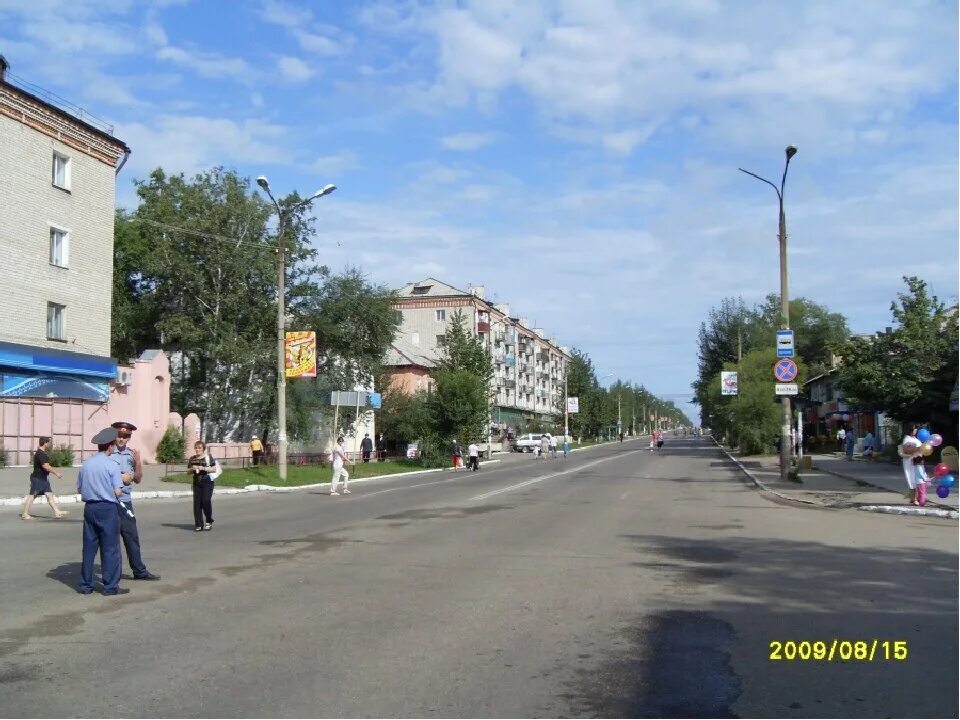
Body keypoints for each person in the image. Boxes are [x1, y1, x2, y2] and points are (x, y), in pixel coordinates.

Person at [76, 427, 126, 596]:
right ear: (110, 446)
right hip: (107, 508)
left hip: (90, 508)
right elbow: (118, 491)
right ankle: (110, 586)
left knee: (89, 548)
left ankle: (85, 585)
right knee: (110, 548)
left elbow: (79, 488)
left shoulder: (86, 464)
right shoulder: (112, 465)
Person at [110, 421, 160, 581]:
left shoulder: (132, 454)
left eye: (125, 436)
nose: (122, 439)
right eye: (119, 435)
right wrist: (120, 477)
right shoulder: (108, 452)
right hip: (110, 502)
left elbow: (138, 479)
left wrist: (138, 462)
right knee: (112, 541)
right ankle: (113, 575)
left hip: (125, 502)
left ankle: (139, 571)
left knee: (131, 537)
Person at [21, 436, 69, 520]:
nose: (50, 444)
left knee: (49, 495)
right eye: (49, 443)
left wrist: (52, 471)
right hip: (38, 478)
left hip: (43, 479)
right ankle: (25, 514)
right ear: (45, 443)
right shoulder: (41, 454)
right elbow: (45, 466)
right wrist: (56, 473)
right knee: (32, 495)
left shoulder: (41, 453)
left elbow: (47, 465)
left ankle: (57, 511)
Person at [187, 441, 221, 530]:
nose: (197, 449)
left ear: (203, 449)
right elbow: (188, 472)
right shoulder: (192, 458)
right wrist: (192, 469)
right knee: (197, 504)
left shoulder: (208, 457)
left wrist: (203, 468)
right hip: (196, 482)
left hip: (207, 481)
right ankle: (199, 524)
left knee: (206, 501)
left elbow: (214, 469)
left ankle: (209, 521)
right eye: (196, 448)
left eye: (199, 448)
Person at [898, 424, 923, 505]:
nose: (916, 430)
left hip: (918, 460)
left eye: (916, 429)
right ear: (911, 430)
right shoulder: (907, 439)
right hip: (910, 461)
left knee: (918, 478)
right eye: (915, 429)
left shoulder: (916, 438)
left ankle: (914, 498)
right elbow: (906, 450)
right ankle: (914, 498)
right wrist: (918, 449)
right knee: (911, 478)